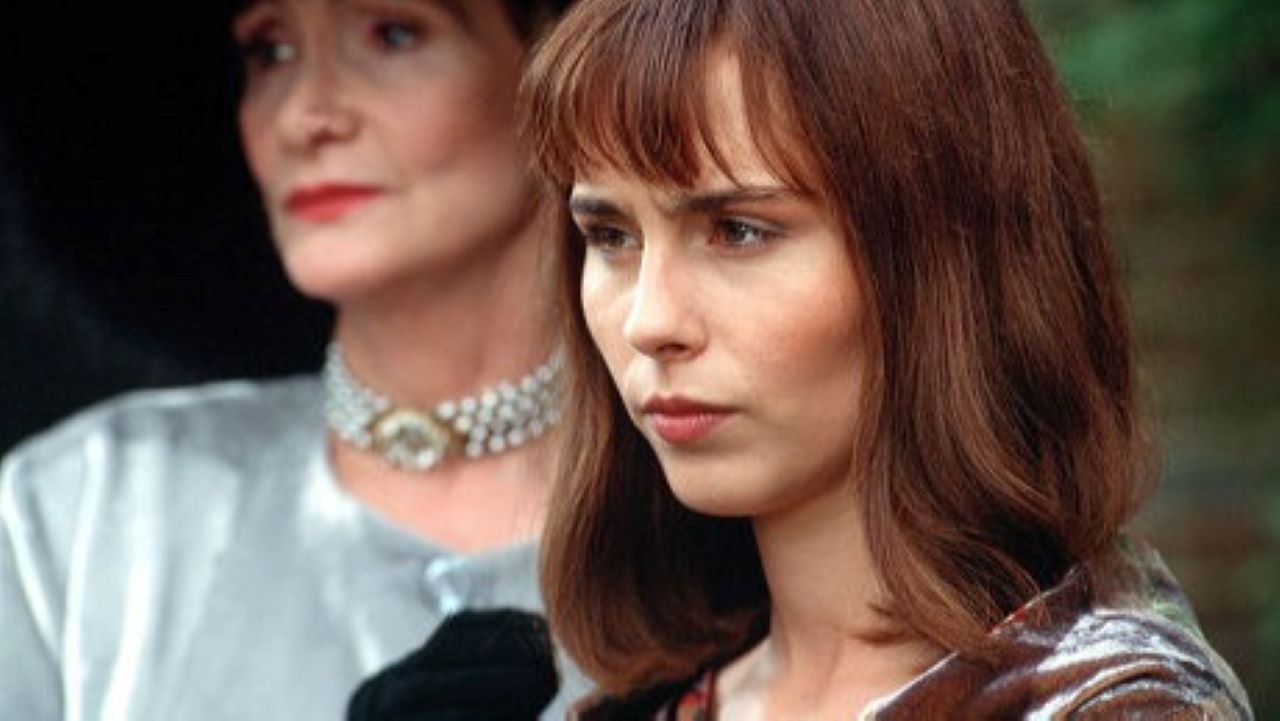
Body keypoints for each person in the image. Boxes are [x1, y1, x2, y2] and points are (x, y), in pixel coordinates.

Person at [519, 0, 1255, 717]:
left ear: (942, 257)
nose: (649, 321)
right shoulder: (643, 703)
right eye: (611, 236)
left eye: (739, 230)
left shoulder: (1113, 704)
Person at [0, 0, 584, 718]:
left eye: (393, 34)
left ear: (566, 70)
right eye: (270, 51)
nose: (304, 116)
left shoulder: (694, 506)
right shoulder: (89, 510)